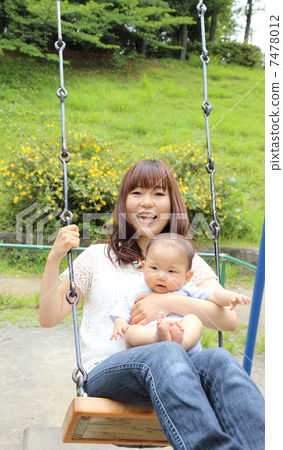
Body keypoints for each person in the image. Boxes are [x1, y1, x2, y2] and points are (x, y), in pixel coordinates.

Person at [39, 159, 264, 449]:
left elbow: (227, 320)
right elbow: (49, 316)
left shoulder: (187, 261)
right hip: (111, 373)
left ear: (172, 204)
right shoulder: (98, 257)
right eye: (136, 193)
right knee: (165, 351)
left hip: (179, 374)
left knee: (219, 359)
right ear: (124, 202)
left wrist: (168, 300)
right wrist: (53, 258)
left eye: (158, 194)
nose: (147, 203)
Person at [110, 233, 251, 355]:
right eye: (154, 268)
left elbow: (213, 296)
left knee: (193, 320)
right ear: (144, 267)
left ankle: (181, 342)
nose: (161, 276)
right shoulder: (136, 291)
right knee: (133, 331)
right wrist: (120, 324)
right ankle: (158, 338)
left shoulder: (186, 290)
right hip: (148, 345)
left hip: (183, 343)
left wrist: (231, 297)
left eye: (171, 271)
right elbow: (121, 311)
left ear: (187, 276)